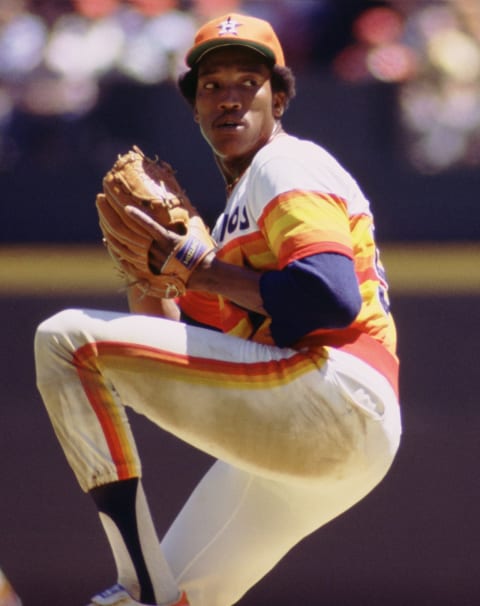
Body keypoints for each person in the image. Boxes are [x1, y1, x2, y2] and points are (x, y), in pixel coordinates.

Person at [34, 12, 402, 606]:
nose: (229, 99)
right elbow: (162, 359)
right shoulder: (231, 221)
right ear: (195, 105)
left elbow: (330, 298)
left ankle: (139, 581)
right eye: (212, 86)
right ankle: (148, 595)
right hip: (317, 435)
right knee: (180, 599)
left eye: (247, 83)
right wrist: (144, 272)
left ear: (279, 98)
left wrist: (198, 269)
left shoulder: (285, 164)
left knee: (64, 340)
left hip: (335, 392)